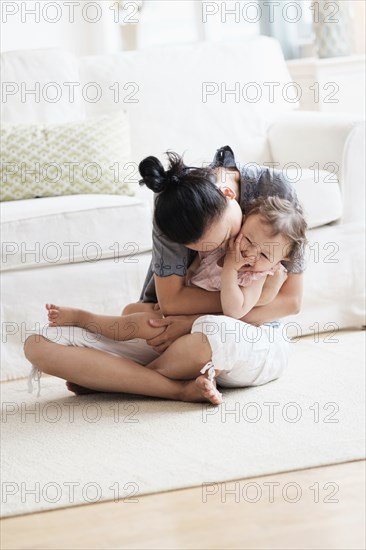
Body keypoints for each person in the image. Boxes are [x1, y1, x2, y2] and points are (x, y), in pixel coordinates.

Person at [24, 146, 306, 405]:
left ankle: (115, 378)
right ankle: (172, 388)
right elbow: (172, 304)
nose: (232, 252)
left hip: (243, 332)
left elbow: (289, 302)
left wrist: (191, 322)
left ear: (228, 195)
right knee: (39, 344)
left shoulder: (273, 195)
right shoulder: (173, 206)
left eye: (226, 237)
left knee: (211, 336)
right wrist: (180, 321)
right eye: (205, 250)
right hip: (169, 332)